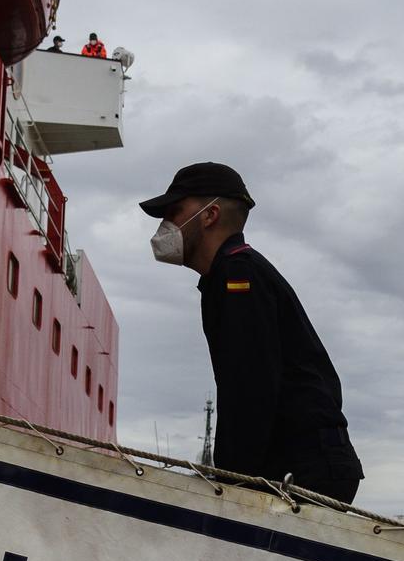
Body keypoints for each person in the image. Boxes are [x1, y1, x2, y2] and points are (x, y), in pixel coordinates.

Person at [140, 162, 363, 502]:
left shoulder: (236, 274)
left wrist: (231, 483)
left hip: (301, 467)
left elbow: (250, 386)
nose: (164, 226)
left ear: (209, 215)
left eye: (174, 212)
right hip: (306, 461)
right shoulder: (231, 273)